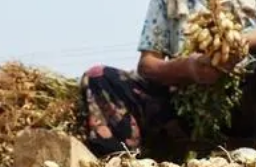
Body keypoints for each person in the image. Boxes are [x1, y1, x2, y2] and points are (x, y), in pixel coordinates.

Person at [80, 0, 256, 158]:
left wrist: (241, 44)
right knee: (100, 77)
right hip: (180, 107)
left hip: (243, 103)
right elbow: (147, 64)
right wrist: (186, 68)